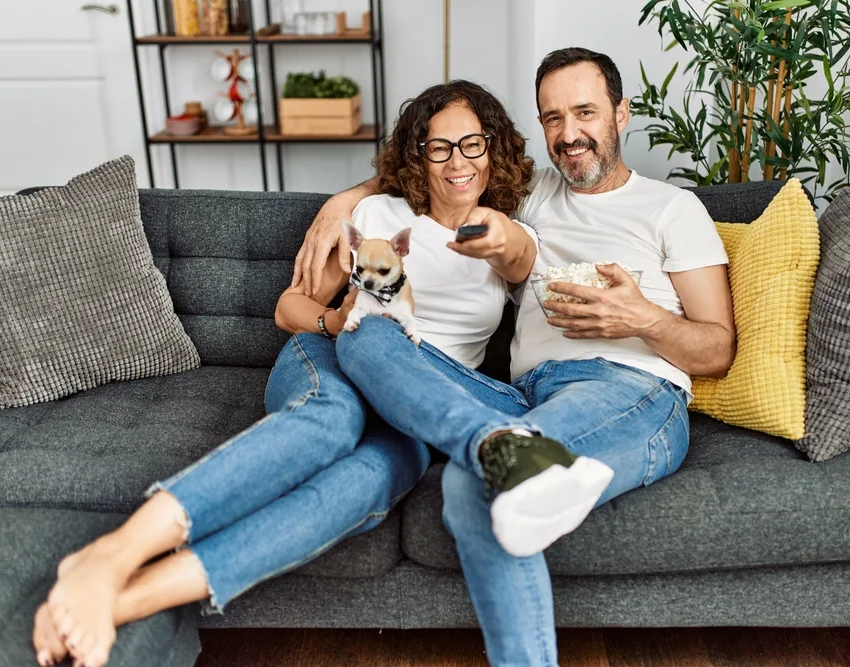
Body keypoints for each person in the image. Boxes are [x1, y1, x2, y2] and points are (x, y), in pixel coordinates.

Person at [30, 79, 539, 667]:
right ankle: (113, 555)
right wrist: (339, 316)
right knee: (330, 423)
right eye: (438, 147)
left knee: (371, 480)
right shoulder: (376, 213)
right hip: (337, 354)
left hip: (419, 399)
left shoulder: (507, 231)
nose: (457, 161)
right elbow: (287, 310)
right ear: (417, 155)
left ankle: (124, 599)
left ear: (493, 148)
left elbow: (519, 254)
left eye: (473, 144)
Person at [293, 47, 736, 666]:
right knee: (370, 331)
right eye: (552, 118)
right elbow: (432, 163)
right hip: (520, 393)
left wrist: (643, 318)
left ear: (622, 114)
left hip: (630, 389)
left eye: (585, 112)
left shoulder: (672, 209)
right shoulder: (528, 193)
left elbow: (717, 349)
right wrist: (344, 201)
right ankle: (499, 444)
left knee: (473, 481)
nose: (569, 133)